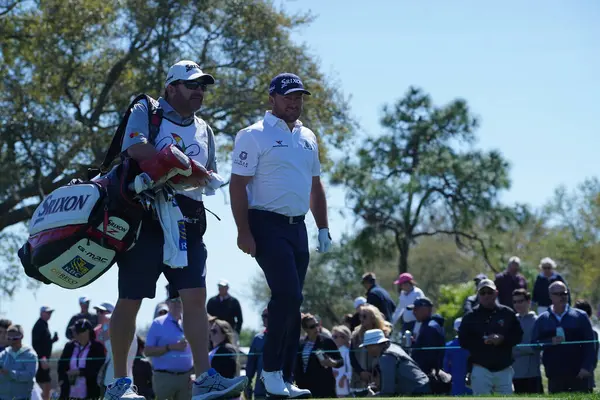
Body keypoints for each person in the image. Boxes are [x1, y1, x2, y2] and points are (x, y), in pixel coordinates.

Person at [104, 60, 247, 400]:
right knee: (130, 298)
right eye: (191, 85)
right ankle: (119, 384)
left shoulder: (205, 129)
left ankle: (205, 378)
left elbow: (207, 174)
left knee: (195, 297)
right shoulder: (147, 109)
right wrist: (181, 167)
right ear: (171, 87)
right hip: (146, 215)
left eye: (202, 86)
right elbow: (135, 148)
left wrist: (193, 173)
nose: (199, 91)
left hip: (189, 220)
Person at [229, 72, 331, 398]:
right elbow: (237, 186)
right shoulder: (253, 135)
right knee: (286, 296)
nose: (294, 102)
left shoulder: (309, 137)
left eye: (299, 96)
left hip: (297, 227)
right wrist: (243, 230)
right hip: (265, 224)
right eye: (288, 96)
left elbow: (315, 186)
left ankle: (285, 378)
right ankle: (270, 372)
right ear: (272, 98)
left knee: (294, 303)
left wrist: (324, 226)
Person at [459, 279, 523, 396]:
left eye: (490, 292)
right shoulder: (470, 317)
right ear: (478, 295)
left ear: (496, 293)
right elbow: (463, 341)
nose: (486, 295)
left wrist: (502, 339)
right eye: (483, 293)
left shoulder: (507, 313)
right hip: (481, 368)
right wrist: (482, 341)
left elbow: (518, 336)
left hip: (504, 368)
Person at [531, 281, 595, 394]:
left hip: (579, 374)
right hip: (555, 375)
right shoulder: (542, 319)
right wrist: (550, 342)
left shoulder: (580, 316)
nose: (562, 297)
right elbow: (534, 344)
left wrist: (586, 367)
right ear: (550, 296)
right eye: (558, 294)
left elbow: (590, 344)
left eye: (564, 293)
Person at [360, 329, 430, 396]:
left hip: (417, 390)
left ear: (375, 345)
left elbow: (387, 392)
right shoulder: (393, 348)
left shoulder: (386, 358)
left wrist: (372, 397)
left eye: (367, 347)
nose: (367, 350)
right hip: (422, 386)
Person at [294, 314, 343, 398]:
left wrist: (332, 363)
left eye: (317, 325)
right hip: (305, 386)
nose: (316, 328)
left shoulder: (327, 342)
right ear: (306, 329)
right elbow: (297, 367)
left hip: (324, 386)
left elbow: (340, 361)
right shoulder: (300, 344)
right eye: (312, 326)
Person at [57, 319, 106, 400]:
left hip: (90, 392)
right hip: (69, 393)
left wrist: (80, 372)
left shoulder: (97, 347)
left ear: (86, 332)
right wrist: (62, 380)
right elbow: (61, 365)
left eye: (77, 331)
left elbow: (97, 369)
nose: (74, 334)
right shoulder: (69, 346)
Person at [511, 289, 543, 394]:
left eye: (520, 301)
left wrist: (516, 347)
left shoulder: (537, 321)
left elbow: (537, 346)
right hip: (515, 375)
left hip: (533, 375)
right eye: (515, 302)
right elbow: (508, 348)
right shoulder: (511, 321)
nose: (517, 305)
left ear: (528, 302)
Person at [0, 325, 38, 400]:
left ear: (22, 337)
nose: (12, 341)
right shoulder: (3, 354)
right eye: (9, 338)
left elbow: (29, 375)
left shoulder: (30, 355)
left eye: (15, 338)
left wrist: (10, 373)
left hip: (22, 397)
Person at [31, 306, 59, 400]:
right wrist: (42, 358)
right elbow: (36, 344)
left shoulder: (44, 324)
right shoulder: (39, 325)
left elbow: (45, 342)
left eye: (50, 313)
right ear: (41, 313)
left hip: (44, 359)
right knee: (43, 382)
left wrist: (53, 340)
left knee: (45, 381)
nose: (49, 314)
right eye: (47, 312)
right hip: (41, 360)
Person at [443, 318, 471, 396]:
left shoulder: (448, 346)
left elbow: (445, 368)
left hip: (454, 387)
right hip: (473, 385)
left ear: (455, 330)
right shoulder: (473, 346)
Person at [245, 309, 268, 400]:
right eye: (263, 316)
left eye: (267, 316)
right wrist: (247, 384)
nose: (264, 318)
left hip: (280, 391)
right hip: (261, 392)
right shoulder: (257, 339)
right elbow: (250, 365)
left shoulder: (284, 337)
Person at [331, 325, 352, 397]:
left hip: (343, 383)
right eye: (333, 336)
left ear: (344, 338)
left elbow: (350, 368)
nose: (333, 339)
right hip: (334, 381)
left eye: (335, 337)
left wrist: (343, 378)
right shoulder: (333, 351)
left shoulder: (346, 351)